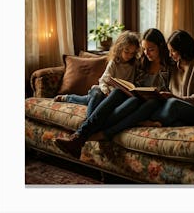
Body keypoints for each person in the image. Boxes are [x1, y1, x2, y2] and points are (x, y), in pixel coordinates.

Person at [53, 28, 171, 158]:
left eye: (151, 49)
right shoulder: (142, 62)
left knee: (123, 98)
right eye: (144, 49)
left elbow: (170, 90)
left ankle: (81, 136)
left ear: (160, 46)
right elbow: (128, 83)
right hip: (133, 97)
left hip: (149, 103)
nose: (146, 53)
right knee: (117, 93)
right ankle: (79, 137)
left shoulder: (168, 66)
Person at [53, 30, 141, 118]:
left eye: (132, 53)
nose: (129, 55)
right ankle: (87, 119)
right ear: (119, 48)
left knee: (89, 99)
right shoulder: (114, 63)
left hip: (117, 96)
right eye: (126, 51)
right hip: (103, 90)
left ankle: (67, 98)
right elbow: (103, 81)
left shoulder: (134, 64)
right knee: (96, 96)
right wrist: (106, 92)